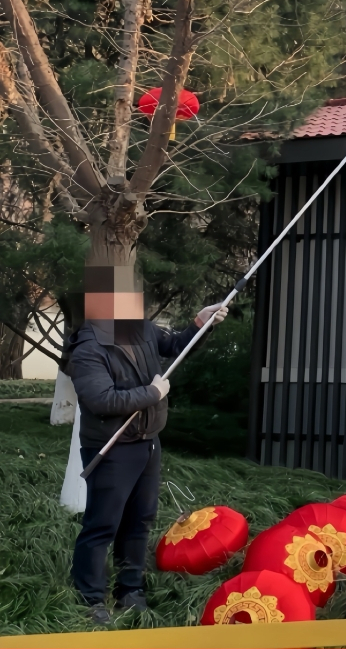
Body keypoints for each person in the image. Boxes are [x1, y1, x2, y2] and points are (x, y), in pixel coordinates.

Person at [66, 265, 228, 623]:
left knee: (139, 520)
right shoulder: (88, 346)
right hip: (112, 447)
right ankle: (91, 598)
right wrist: (151, 393)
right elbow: (102, 400)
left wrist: (200, 325)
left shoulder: (139, 329)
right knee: (103, 524)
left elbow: (175, 346)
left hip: (147, 443)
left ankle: (130, 591)